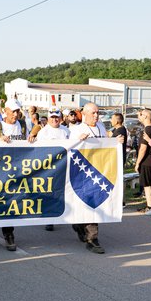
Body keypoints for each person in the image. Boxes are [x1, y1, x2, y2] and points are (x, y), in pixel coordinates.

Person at [0, 98, 34, 251]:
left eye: (17, 111)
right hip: (2, 171)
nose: (15, 114)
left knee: (13, 201)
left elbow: (29, 141)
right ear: (5, 111)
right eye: (13, 111)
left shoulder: (22, 126)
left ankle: (8, 231)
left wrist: (32, 138)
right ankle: (5, 230)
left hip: (18, 170)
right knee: (3, 200)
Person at [67, 102, 108, 254]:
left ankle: (93, 238)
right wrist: (79, 141)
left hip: (98, 172)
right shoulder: (77, 129)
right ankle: (79, 225)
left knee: (94, 204)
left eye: (98, 113)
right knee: (82, 205)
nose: (96, 116)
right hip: (82, 173)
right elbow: (69, 148)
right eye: (93, 113)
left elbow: (106, 147)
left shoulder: (101, 127)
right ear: (84, 114)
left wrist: (117, 142)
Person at [36, 106, 70, 230]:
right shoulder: (43, 132)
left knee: (62, 192)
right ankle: (49, 219)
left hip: (63, 167)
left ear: (60, 118)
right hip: (49, 168)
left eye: (57, 117)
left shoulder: (66, 131)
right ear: (49, 118)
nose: (55, 120)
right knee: (49, 193)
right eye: (52, 117)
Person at [134, 108, 151, 216]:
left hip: (147, 160)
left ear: (145, 116)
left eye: (141, 114)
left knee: (147, 184)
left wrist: (138, 162)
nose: (139, 115)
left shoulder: (148, 129)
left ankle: (150, 206)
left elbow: (143, 148)